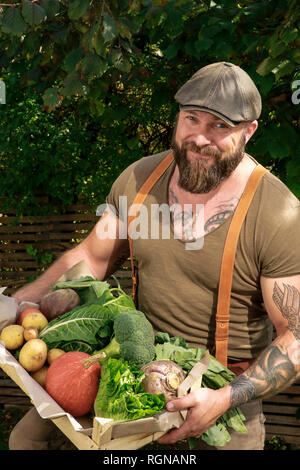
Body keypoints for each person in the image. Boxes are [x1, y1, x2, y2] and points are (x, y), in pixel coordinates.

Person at [9, 62, 300, 451]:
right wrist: (14, 305)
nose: (199, 137)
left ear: (249, 131)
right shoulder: (140, 180)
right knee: (25, 438)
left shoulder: (276, 212)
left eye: (219, 126)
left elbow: (295, 334)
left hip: (220, 396)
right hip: (128, 374)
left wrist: (223, 399)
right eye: (191, 119)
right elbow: (91, 259)